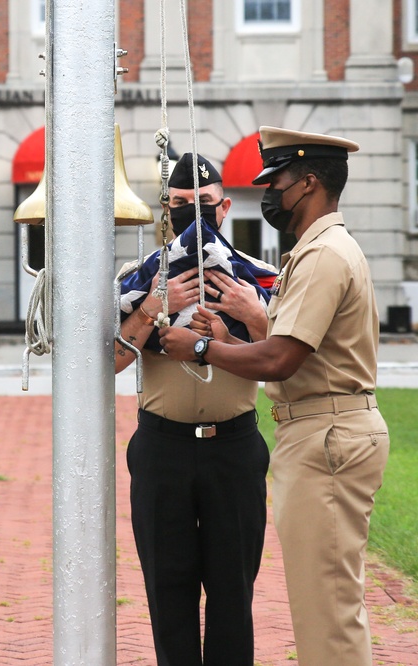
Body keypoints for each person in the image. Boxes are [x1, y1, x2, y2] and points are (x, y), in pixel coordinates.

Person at [159, 127, 390, 666]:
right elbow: (292, 350)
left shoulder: (323, 255)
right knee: (323, 604)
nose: (270, 193)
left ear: (308, 182)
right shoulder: (316, 250)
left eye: (277, 180)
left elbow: (279, 359)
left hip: (327, 435)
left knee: (328, 610)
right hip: (317, 429)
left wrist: (197, 348)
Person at [115, 153, 274, 666]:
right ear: (167, 210)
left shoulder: (257, 280)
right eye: (181, 205)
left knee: (233, 593)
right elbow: (111, 362)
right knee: (168, 591)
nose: (193, 214)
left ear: (225, 207)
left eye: (204, 204)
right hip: (164, 449)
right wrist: (151, 305)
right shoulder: (138, 278)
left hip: (233, 448)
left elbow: (281, 361)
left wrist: (249, 320)